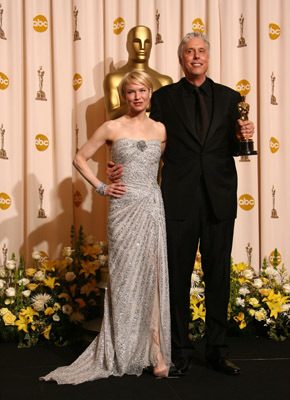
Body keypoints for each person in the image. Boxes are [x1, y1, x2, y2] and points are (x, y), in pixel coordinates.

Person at [108, 32, 255, 376]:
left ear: (208, 56)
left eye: (201, 51)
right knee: (176, 277)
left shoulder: (231, 97)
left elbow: (233, 148)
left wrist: (245, 135)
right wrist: (117, 163)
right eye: (189, 52)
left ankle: (218, 350)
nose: (196, 56)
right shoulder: (162, 98)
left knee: (219, 276)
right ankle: (180, 349)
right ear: (181, 58)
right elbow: (137, 131)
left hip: (219, 199)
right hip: (177, 199)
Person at [40, 70, 171, 384]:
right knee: (125, 279)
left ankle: (156, 351)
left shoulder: (161, 129)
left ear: (150, 93)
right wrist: (101, 185)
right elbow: (80, 157)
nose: (136, 97)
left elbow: (159, 167)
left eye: (141, 91)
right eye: (131, 92)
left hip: (152, 207)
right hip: (123, 209)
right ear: (124, 96)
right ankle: (122, 348)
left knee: (152, 278)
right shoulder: (112, 126)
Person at [103, 25, 172, 120]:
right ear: (128, 45)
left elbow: (169, 117)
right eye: (137, 42)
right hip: (125, 133)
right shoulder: (114, 79)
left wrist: (135, 105)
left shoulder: (164, 81)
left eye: (147, 42)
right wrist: (146, 103)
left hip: (157, 133)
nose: (142, 47)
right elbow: (112, 116)